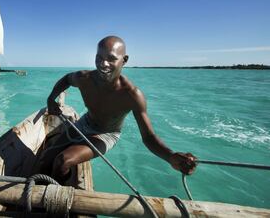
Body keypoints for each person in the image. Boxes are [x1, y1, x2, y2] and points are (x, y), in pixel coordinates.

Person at [43, 35, 197, 183]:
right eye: (99, 58)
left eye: (111, 58)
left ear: (124, 60)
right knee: (45, 157)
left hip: (106, 135)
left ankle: (57, 200)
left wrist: (170, 156)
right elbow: (66, 79)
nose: (103, 64)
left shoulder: (132, 95)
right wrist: (51, 99)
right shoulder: (85, 78)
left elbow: (149, 137)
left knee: (62, 161)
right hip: (84, 124)